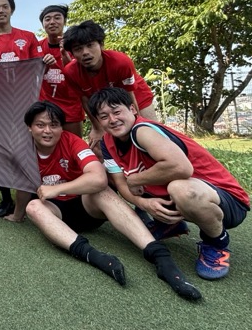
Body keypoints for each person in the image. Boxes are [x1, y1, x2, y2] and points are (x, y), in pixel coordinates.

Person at [23, 101, 201, 300]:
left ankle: (160, 256)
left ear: (61, 127)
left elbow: (98, 177)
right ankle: (94, 256)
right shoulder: (22, 150)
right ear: (30, 127)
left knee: (102, 190)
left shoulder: (72, 141)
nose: (47, 131)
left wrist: (57, 189)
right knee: (33, 207)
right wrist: (15, 213)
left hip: (85, 208)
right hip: (54, 213)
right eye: (40, 125)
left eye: (54, 125)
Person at [89, 87, 250, 280]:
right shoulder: (107, 142)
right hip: (184, 198)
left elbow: (182, 168)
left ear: (132, 109)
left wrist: (135, 179)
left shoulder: (143, 131)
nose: (112, 119)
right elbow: (120, 183)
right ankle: (168, 224)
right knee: (113, 175)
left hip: (227, 201)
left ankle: (217, 243)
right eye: (104, 116)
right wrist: (145, 204)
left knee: (179, 189)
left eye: (117, 112)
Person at [0, 0, 40, 218]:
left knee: (28, 149)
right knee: (0, 151)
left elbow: (39, 67)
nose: (0, 11)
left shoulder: (28, 37)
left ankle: (32, 195)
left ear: (11, 9)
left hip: (26, 103)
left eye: (4, 6)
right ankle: (6, 199)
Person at [62, 20, 156, 152]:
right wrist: (97, 128)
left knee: (150, 135)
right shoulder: (70, 72)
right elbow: (85, 100)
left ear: (101, 45)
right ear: (72, 53)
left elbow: (129, 94)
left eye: (90, 45)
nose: (85, 52)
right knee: (99, 146)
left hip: (136, 97)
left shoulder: (120, 62)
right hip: (105, 106)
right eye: (78, 49)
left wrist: (137, 123)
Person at [37, 4, 84, 137]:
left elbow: (81, 75)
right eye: (47, 19)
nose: (52, 22)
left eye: (57, 18)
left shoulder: (75, 45)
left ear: (64, 21)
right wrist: (43, 66)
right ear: (43, 24)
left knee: (74, 144)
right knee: (46, 145)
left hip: (71, 107)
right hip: (45, 107)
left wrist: (65, 56)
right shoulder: (37, 47)